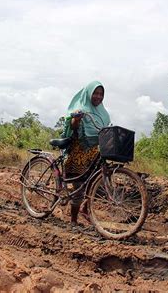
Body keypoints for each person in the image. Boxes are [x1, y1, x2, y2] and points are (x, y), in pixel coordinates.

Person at [63, 81, 111, 226]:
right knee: (79, 187)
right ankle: (73, 220)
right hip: (79, 152)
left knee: (96, 184)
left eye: (101, 94)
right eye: (95, 93)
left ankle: (84, 208)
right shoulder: (80, 108)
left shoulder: (103, 114)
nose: (98, 96)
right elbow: (72, 126)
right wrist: (76, 119)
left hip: (95, 152)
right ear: (89, 94)